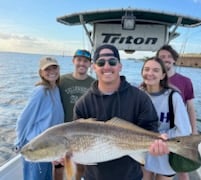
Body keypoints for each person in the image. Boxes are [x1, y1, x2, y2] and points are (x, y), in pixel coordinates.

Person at [73, 44, 169, 180]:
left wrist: (157, 144)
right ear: (94, 67)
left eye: (112, 62)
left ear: (120, 66)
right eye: (101, 62)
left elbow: (150, 130)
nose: (107, 67)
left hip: (131, 176)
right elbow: (76, 144)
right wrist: (62, 158)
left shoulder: (140, 98)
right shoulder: (82, 104)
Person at [140, 57, 192, 180]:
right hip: (143, 151)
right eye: (146, 69)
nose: (150, 73)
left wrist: (159, 137)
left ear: (163, 75)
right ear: (142, 73)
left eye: (155, 70)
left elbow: (184, 131)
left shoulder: (173, 97)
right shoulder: (138, 94)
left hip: (166, 153)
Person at [14, 57, 64, 180]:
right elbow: (23, 120)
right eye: (47, 69)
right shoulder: (40, 91)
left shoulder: (56, 89)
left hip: (48, 146)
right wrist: (19, 143)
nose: (52, 71)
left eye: (54, 67)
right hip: (36, 146)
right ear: (41, 73)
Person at [156, 45, 197, 180]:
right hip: (158, 131)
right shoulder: (153, 79)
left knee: (182, 168)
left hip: (179, 130)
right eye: (162, 57)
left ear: (174, 60)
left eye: (169, 56)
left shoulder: (186, 81)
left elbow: (190, 107)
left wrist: (194, 131)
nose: (166, 59)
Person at [55, 49, 95, 180]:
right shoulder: (62, 81)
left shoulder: (94, 83)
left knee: (80, 168)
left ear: (90, 64)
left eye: (85, 61)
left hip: (84, 134)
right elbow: (47, 92)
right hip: (62, 134)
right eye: (79, 60)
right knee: (59, 170)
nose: (82, 64)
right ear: (73, 61)